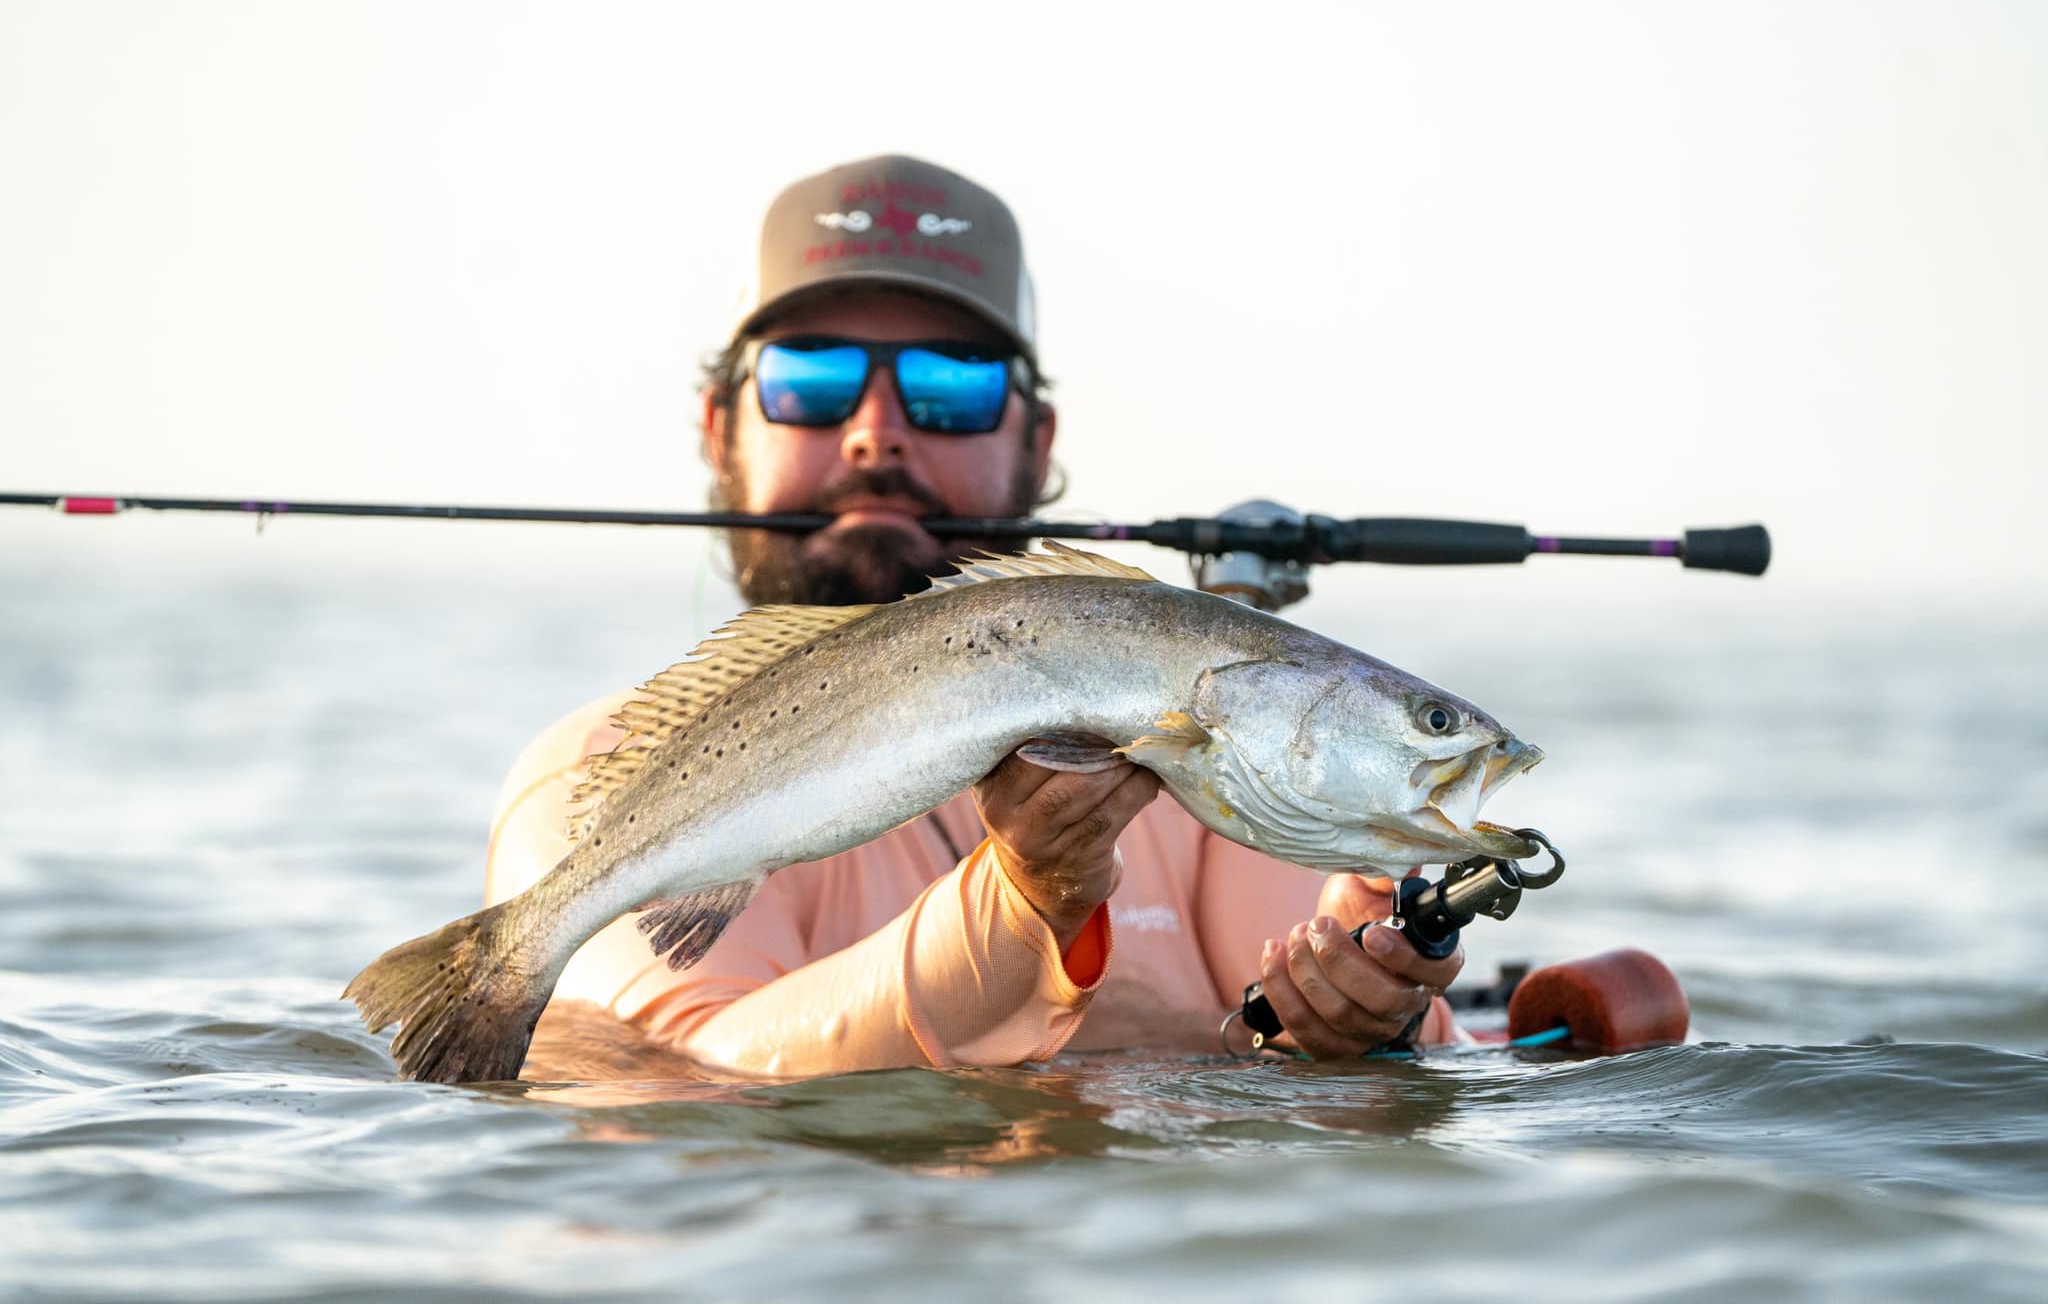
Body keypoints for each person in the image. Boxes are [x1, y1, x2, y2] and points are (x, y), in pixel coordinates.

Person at [486, 154, 1465, 1078]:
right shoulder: (600, 773)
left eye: (951, 384)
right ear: (718, 425)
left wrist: (1383, 1016)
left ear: (1035, 442)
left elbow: (1316, 1096)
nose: (877, 433)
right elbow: (695, 1073)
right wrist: (1024, 895)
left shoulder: (1210, 768)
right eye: (811, 379)